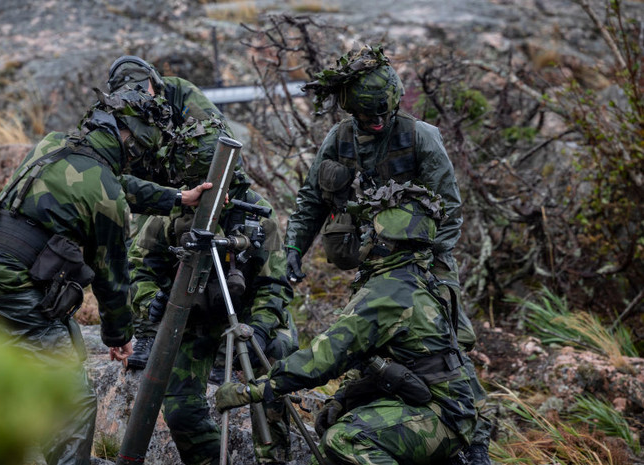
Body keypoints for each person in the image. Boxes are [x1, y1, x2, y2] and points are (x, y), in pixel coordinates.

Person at [284, 45, 492, 464]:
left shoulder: (420, 137)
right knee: (372, 351)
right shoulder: (338, 140)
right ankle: (391, 429)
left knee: (447, 350)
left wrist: (420, 265)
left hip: (427, 266)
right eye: (366, 116)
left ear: (394, 101)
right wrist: (292, 250)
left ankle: (473, 441)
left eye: (381, 113)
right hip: (372, 267)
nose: (375, 122)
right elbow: (311, 201)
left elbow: (450, 212)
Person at [0, 88, 172, 465]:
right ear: (127, 137)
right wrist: (119, 337)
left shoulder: (52, 143)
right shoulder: (106, 195)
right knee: (74, 399)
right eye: (140, 146)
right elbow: (113, 279)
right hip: (18, 291)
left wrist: (175, 198)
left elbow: (106, 183)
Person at [215, 181, 479, 465]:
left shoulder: (390, 293)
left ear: (384, 241)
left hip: (441, 415)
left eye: (368, 230)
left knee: (346, 441)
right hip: (427, 404)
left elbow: (327, 355)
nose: (362, 238)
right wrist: (341, 399)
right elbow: (369, 358)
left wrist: (252, 391)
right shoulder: (413, 279)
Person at [129, 174, 298, 464]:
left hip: (248, 315)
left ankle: (274, 458)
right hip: (193, 317)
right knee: (181, 410)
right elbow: (137, 266)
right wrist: (150, 300)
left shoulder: (258, 214)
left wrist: (258, 329)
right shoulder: (175, 207)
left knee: (274, 372)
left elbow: (274, 286)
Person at [106, 55, 243, 374]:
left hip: (209, 190)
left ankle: (222, 341)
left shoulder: (183, 98)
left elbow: (217, 155)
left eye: (145, 88)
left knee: (217, 250)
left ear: (155, 81)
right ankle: (146, 331)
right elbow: (115, 169)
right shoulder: (118, 112)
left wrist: (190, 193)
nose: (143, 96)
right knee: (133, 247)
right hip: (158, 194)